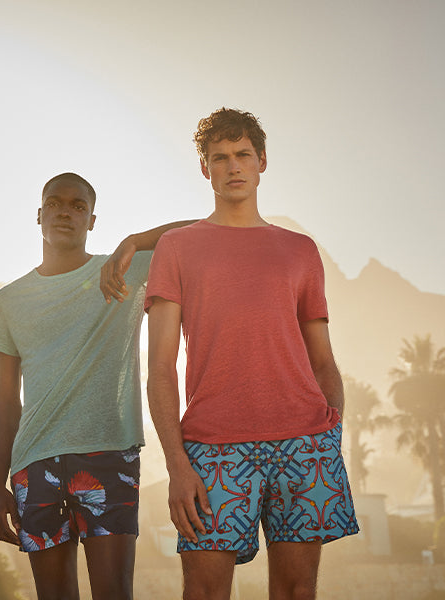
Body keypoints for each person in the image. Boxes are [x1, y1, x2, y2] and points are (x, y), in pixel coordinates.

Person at [145, 108, 360, 600]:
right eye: (220, 158)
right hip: (211, 448)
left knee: (296, 591)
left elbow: (322, 360)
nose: (233, 166)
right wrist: (177, 465)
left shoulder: (300, 250)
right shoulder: (176, 249)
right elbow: (159, 370)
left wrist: (331, 435)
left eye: (243, 155)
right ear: (205, 169)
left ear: (262, 161)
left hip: (305, 445)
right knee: (203, 591)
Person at [0, 171, 191, 600]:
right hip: (33, 463)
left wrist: (133, 241)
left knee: (114, 592)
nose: (66, 211)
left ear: (92, 220)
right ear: (39, 214)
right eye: (56, 203)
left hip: (108, 453)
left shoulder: (122, 270)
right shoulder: (7, 302)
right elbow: (7, 401)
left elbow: (201, 231)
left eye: (79, 206)